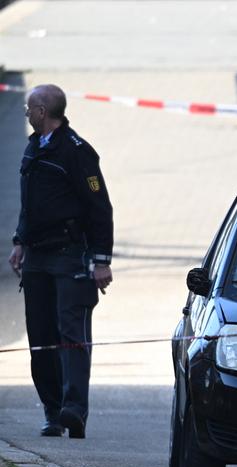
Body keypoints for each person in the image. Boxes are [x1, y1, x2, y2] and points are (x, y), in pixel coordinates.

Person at [7, 84, 114, 439]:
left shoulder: (77, 152)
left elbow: (100, 208)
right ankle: (52, 411)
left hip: (71, 257)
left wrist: (101, 261)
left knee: (72, 335)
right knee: (41, 336)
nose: (26, 113)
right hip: (37, 257)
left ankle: (74, 410)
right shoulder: (33, 149)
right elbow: (29, 205)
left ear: (42, 111)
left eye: (29, 108)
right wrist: (20, 241)